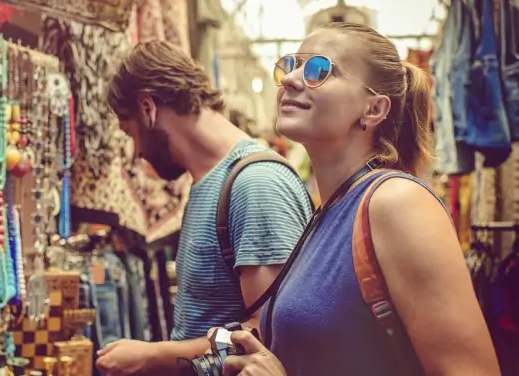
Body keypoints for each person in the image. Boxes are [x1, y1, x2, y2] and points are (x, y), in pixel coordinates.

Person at [220, 22, 500, 376]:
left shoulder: (396, 202)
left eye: (319, 70)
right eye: (291, 65)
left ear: (373, 110)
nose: (291, 80)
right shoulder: (330, 210)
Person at [96, 40, 312, 375]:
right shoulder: (208, 181)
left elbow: (265, 336)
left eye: (129, 133)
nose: (136, 151)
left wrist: (151, 356)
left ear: (147, 108)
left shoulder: (255, 185)